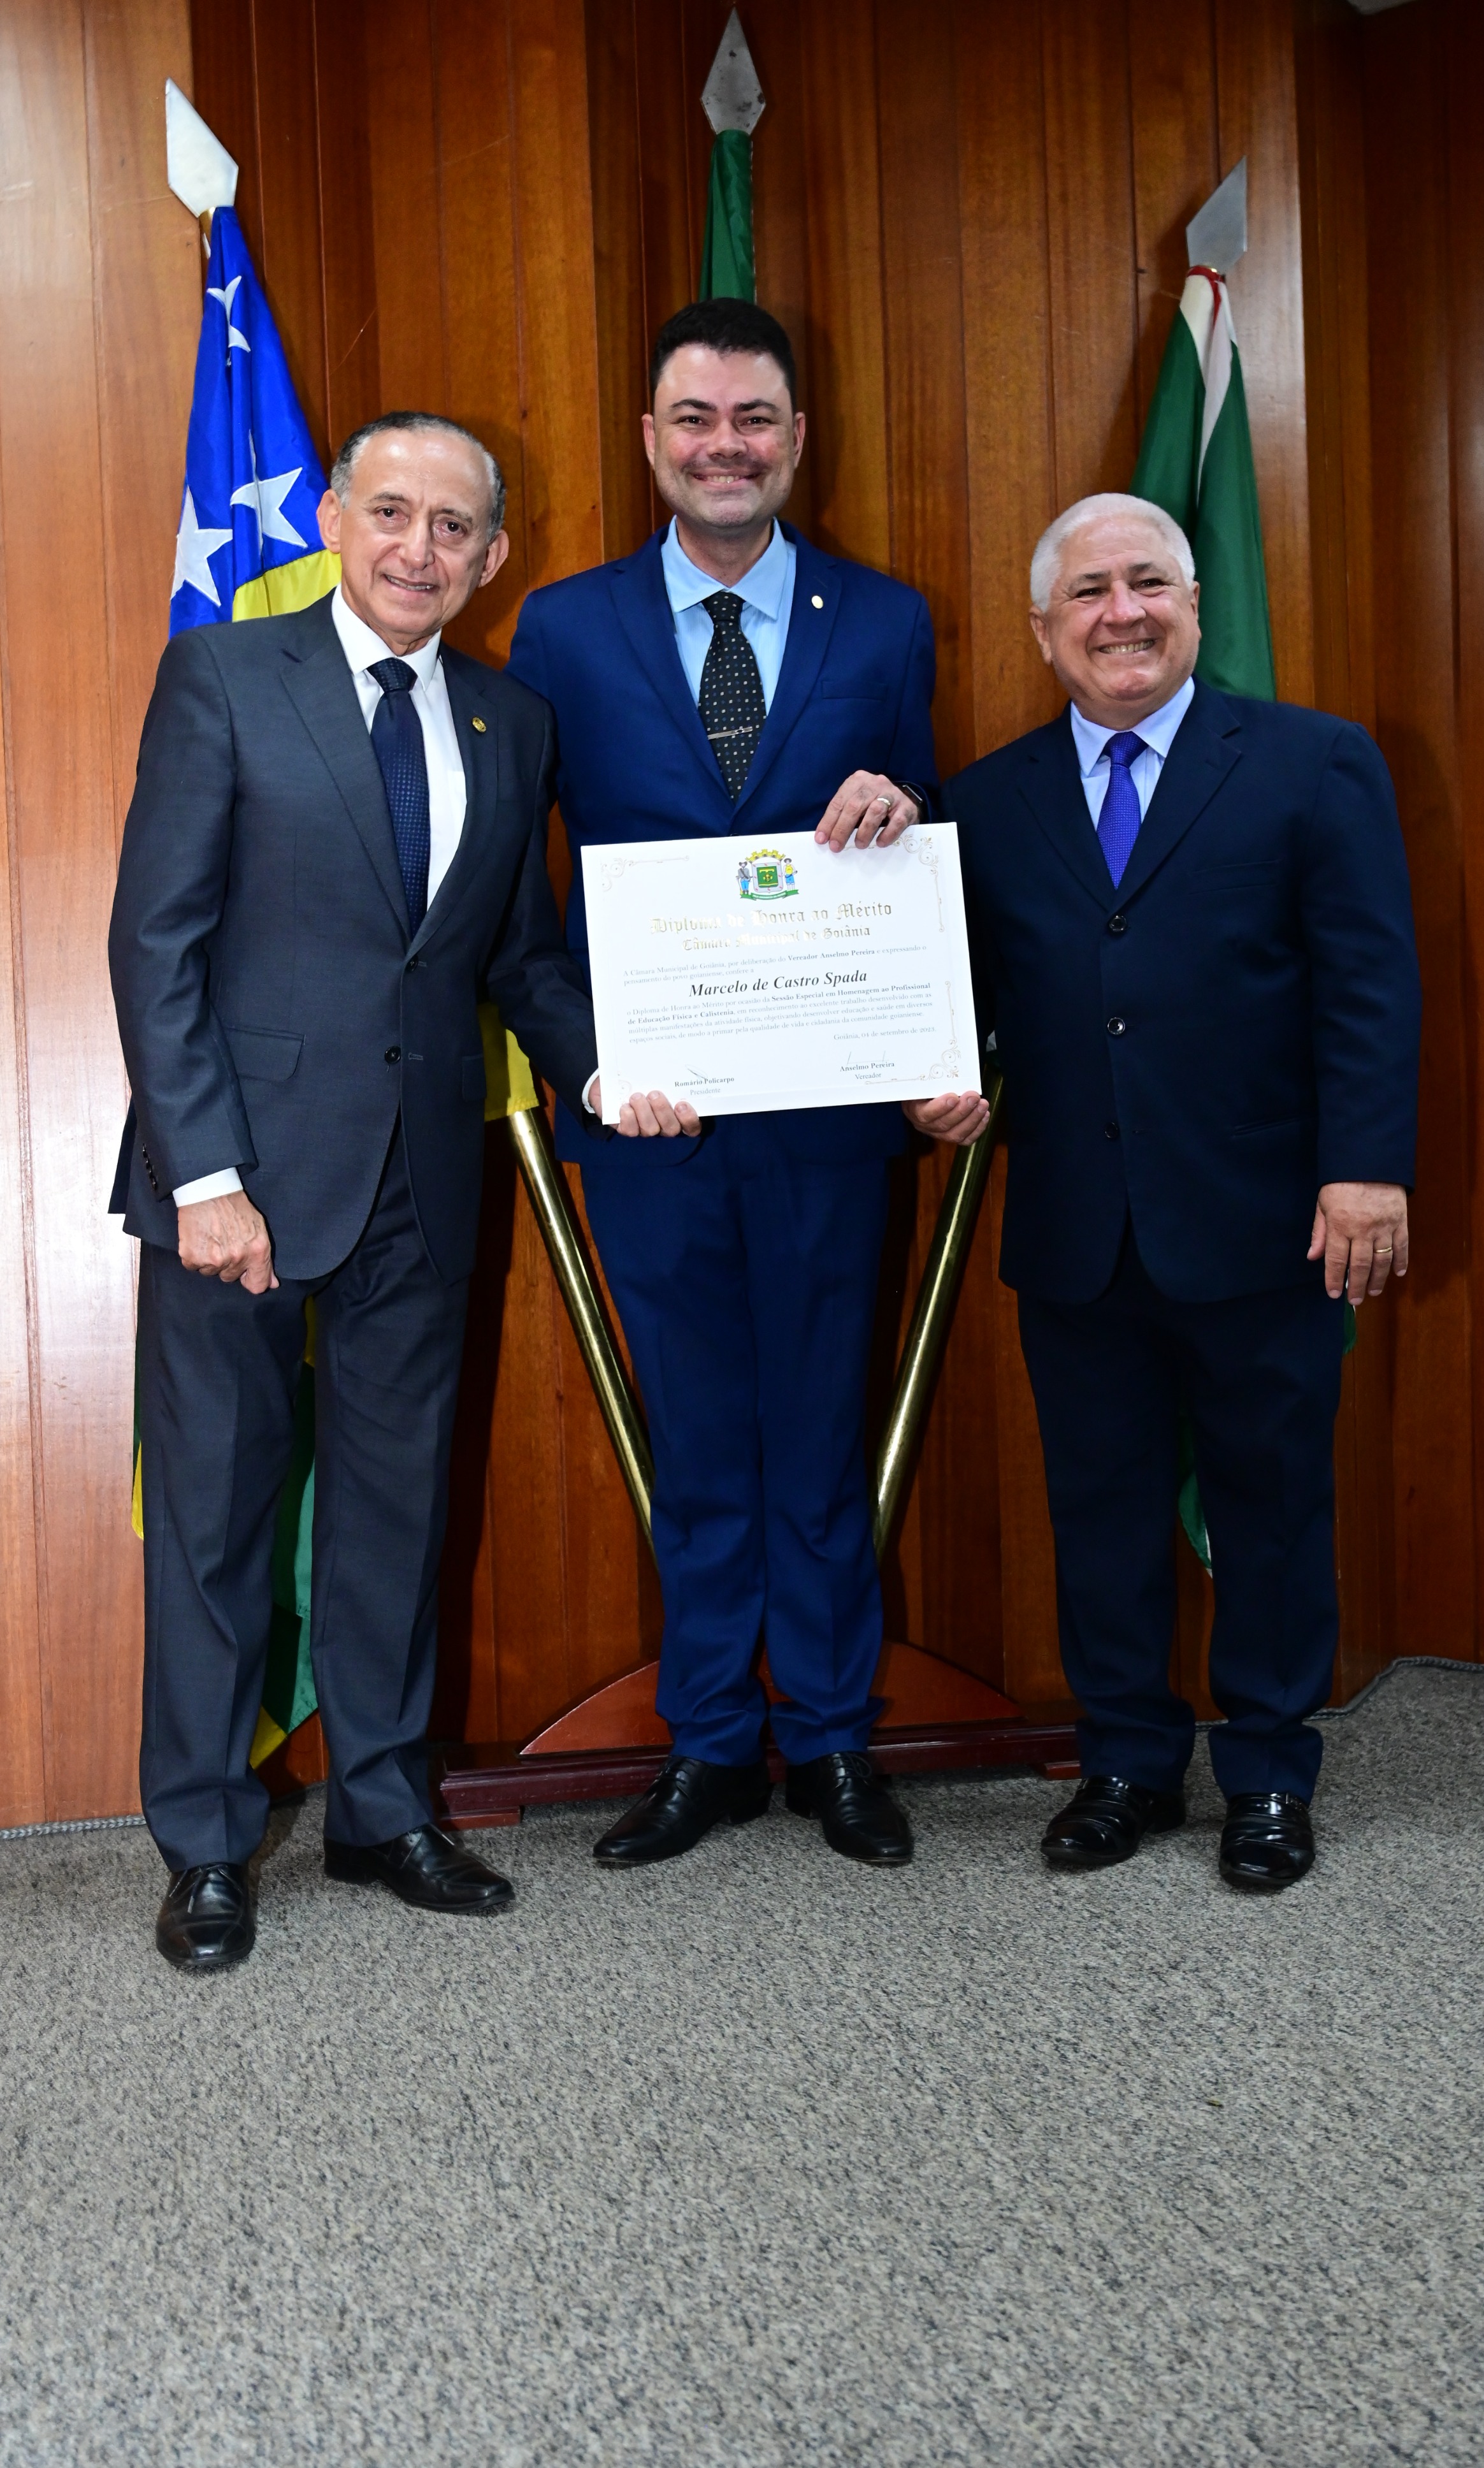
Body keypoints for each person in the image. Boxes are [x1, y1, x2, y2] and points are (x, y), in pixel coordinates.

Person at [111, 411, 659, 1970]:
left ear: (494, 556)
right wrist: (203, 1175)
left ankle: (378, 1808)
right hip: (239, 1186)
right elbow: (156, 942)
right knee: (214, 1519)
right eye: (394, 513)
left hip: (423, 1177)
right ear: (338, 520)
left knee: (394, 1511)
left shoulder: (510, 719)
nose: (421, 548)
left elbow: (517, 960)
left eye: (455, 526)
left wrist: (606, 1076)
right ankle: (206, 1843)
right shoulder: (225, 675)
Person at [507, 298, 946, 1870]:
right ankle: (707, 1741)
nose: (725, 446)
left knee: (821, 1435)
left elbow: (928, 851)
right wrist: (593, 1068)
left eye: (755, 418)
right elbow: (516, 902)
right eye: (695, 418)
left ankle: (828, 1738)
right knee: (696, 1442)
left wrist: (905, 805)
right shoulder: (562, 629)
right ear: (652, 439)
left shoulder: (886, 623)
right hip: (655, 1125)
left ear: (797, 437)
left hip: (830, 1117)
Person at [935, 491, 1420, 1890]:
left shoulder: (1314, 763)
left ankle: (1268, 1771)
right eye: (1089, 593)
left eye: (1147, 583)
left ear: (1195, 606)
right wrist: (935, 1081)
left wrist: (1367, 1168)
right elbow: (962, 999)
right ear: (1044, 627)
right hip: (1078, 1229)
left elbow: (1370, 980)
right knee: (1100, 1511)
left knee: (1274, 1505)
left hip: (1269, 1219)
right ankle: (1128, 1763)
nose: (1122, 614)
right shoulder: (986, 799)